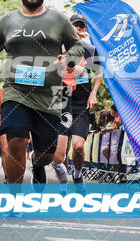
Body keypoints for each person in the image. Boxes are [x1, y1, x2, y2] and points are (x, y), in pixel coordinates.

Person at [0, 0, 84, 185]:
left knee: (46, 154)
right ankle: (14, 193)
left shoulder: (58, 20)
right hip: (16, 90)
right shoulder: (7, 21)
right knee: (16, 139)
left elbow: (77, 47)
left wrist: (67, 59)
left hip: (50, 93)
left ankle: (36, 162)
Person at [60, 14, 103, 185]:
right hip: (61, 100)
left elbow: (99, 73)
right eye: (74, 26)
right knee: (60, 151)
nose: (77, 29)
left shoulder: (90, 49)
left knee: (78, 146)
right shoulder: (60, 48)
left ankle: (77, 174)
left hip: (81, 102)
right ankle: (63, 184)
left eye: (81, 26)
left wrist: (93, 94)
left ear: (85, 29)